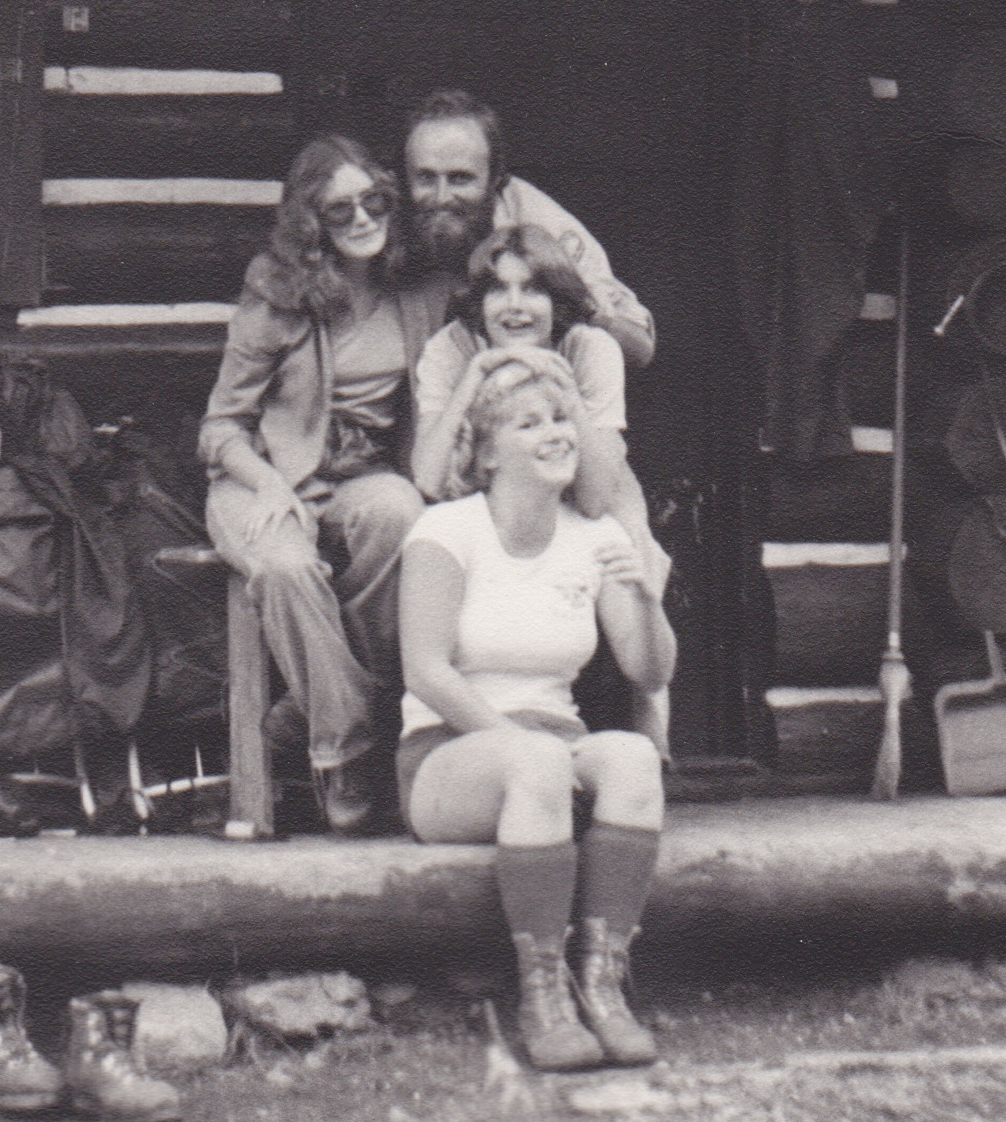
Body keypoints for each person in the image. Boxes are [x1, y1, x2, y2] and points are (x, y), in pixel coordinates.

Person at [396, 351, 676, 1070]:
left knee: (636, 757)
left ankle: (603, 988)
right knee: (544, 758)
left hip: (551, 752)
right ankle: (541, 999)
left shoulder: (597, 536)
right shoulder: (446, 530)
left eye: (561, 419)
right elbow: (425, 671)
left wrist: (647, 597)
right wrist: (522, 747)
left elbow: (649, 670)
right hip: (446, 757)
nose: (556, 433)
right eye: (530, 423)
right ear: (488, 454)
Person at [201, 135, 447, 832]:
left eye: (375, 203)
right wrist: (270, 486)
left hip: (358, 474)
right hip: (257, 476)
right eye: (342, 213)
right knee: (284, 567)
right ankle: (345, 751)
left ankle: (301, 712)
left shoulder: (416, 288)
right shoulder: (276, 291)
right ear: (312, 224)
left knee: (401, 514)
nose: (365, 220)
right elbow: (220, 428)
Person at [409, 227, 670, 759]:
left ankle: (649, 720)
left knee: (629, 541)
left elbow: (595, 496)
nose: (515, 306)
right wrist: (476, 374)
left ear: (558, 300)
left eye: (533, 290)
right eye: (497, 290)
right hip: (482, 485)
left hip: (584, 475)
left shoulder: (589, 347)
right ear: (477, 301)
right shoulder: (450, 349)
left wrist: (566, 396)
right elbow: (430, 478)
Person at [401, 90, 655, 372]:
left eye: (460, 178)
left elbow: (639, 349)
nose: (441, 197)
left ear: (496, 178)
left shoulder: (542, 226)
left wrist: (578, 300)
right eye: (425, 177)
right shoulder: (376, 211)